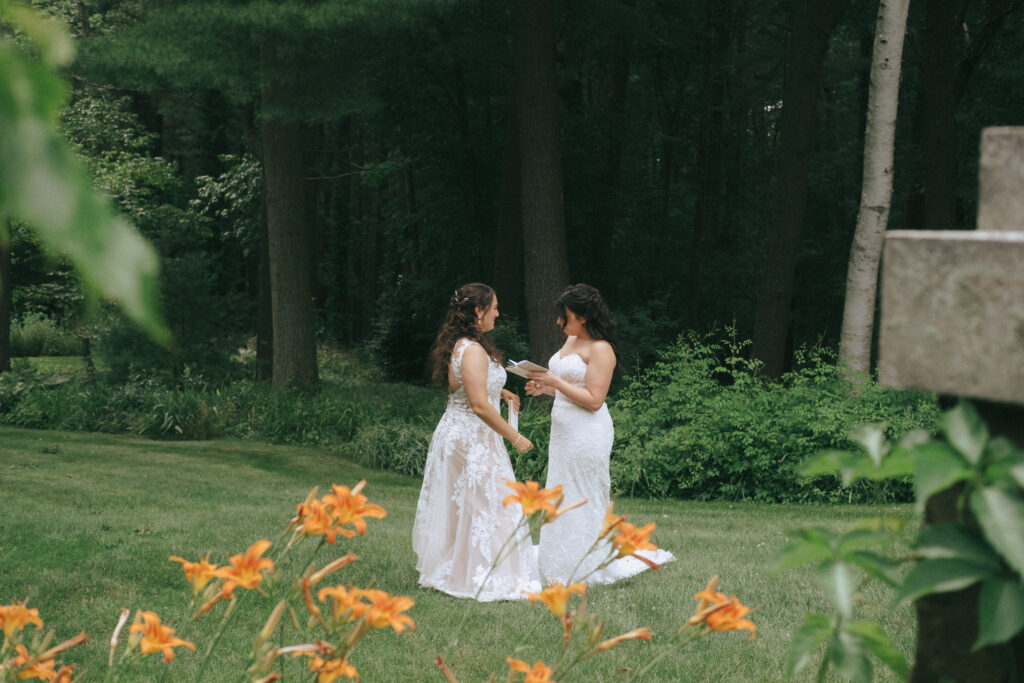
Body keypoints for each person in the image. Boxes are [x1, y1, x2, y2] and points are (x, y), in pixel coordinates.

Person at [526, 283, 675, 585]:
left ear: (582, 316)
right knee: (560, 491)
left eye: (564, 315)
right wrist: (546, 388)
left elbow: (593, 400)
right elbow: (568, 390)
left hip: (588, 432)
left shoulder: (601, 349)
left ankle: (586, 565)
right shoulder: (569, 342)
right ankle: (558, 561)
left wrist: (555, 380)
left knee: (583, 492)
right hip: (564, 432)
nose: (559, 321)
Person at [412, 283, 541, 600]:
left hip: (465, 434)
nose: (498, 312)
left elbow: (469, 390)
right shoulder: (471, 350)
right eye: (494, 307)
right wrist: (516, 436)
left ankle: (470, 565)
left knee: (477, 505)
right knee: (490, 503)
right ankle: (484, 573)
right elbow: (479, 404)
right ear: (478, 311)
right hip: (471, 439)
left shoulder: (466, 345)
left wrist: (504, 392)